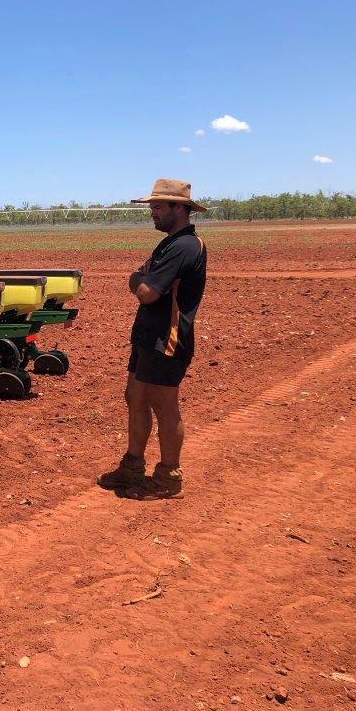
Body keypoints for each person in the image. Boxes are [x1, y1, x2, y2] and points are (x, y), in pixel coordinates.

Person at [98, 178, 208, 500]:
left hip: (167, 340)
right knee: (136, 399)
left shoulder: (186, 246)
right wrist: (140, 282)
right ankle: (132, 467)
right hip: (148, 337)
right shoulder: (168, 244)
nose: (153, 214)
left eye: (158, 207)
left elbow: (145, 291)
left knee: (164, 406)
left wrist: (141, 284)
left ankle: (168, 477)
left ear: (179, 208)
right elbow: (137, 279)